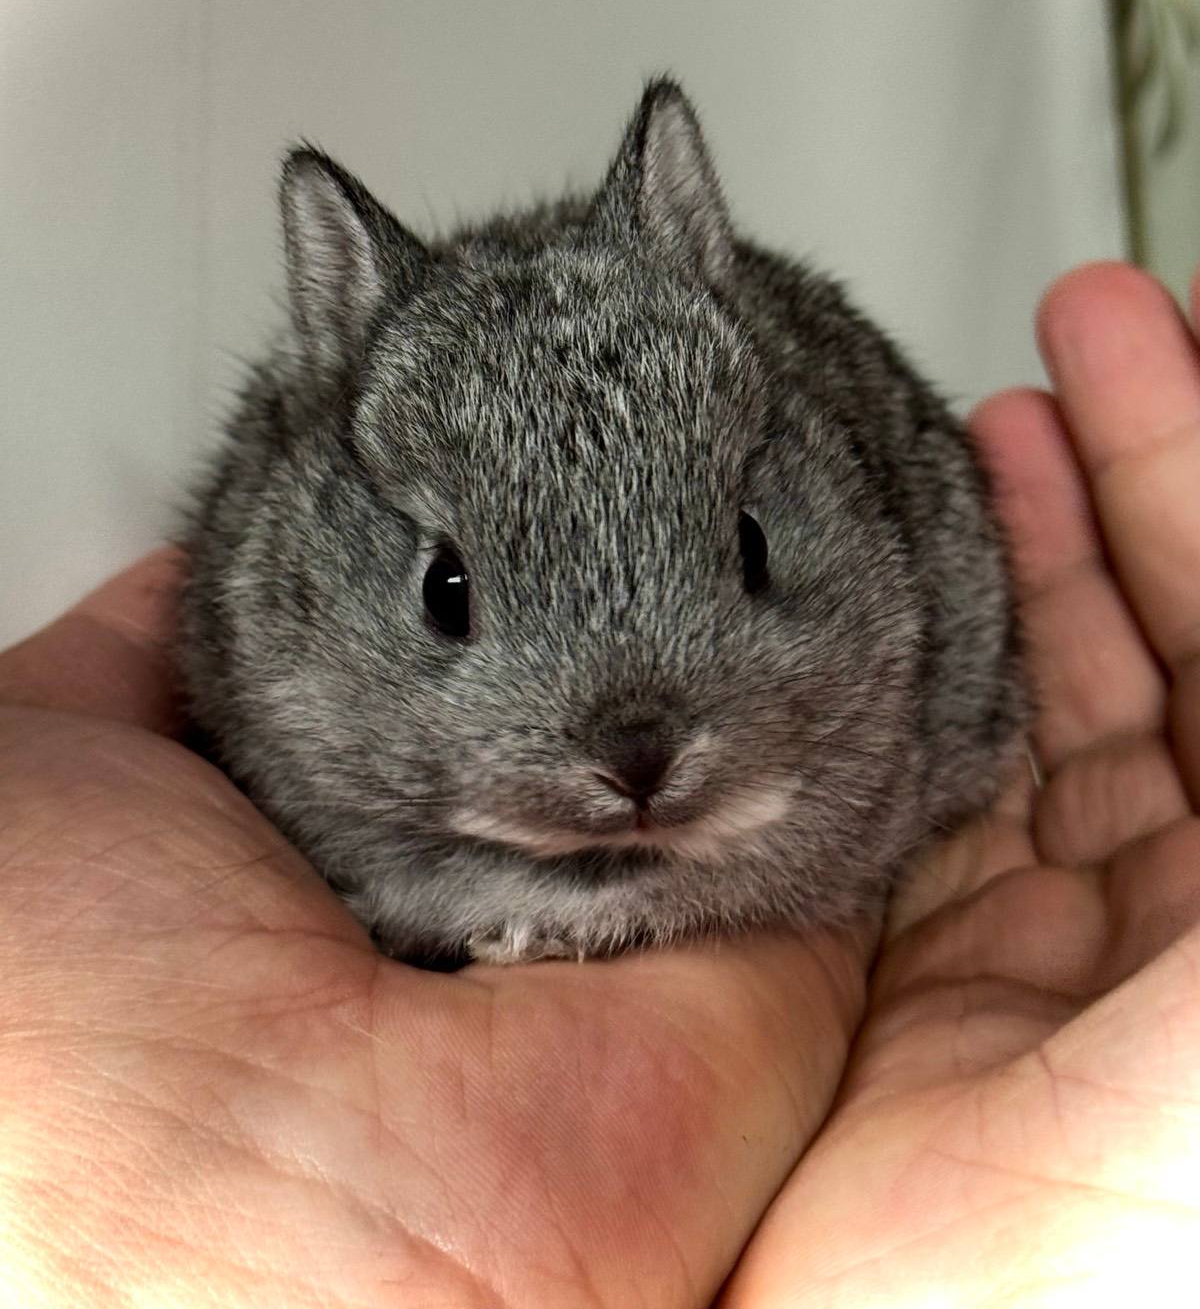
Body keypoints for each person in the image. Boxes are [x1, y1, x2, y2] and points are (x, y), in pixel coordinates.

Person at [1, 260, 1197, 1308]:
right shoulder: (280, 624)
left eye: (734, 551)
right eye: (455, 599)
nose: (633, 757)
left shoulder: (855, 617)